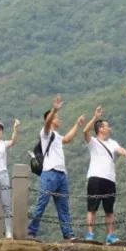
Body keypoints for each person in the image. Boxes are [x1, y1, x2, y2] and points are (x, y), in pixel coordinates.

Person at [27, 95, 84, 241]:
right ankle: (31, 232)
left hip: (61, 174)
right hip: (49, 173)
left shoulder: (57, 136)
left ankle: (68, 234)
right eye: (57, 117)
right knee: (42, 203)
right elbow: (46, 123)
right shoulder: (45, 134)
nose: (59, 119)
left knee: (63, 207)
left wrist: (77, 125)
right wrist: (54, 109)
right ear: (51, 119)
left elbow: (67, 139)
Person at [82, 106, 126, 244]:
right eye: (107, 126)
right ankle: (90, 234)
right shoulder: (93, 142)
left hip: (110, 179)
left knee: (109, 210)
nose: (109, 128)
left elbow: (119, 149)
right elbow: (85, 131)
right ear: (100, 129)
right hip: (95, 177)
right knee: (92, 208)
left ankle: (110, 236)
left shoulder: (112, 143)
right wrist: (95, 117)